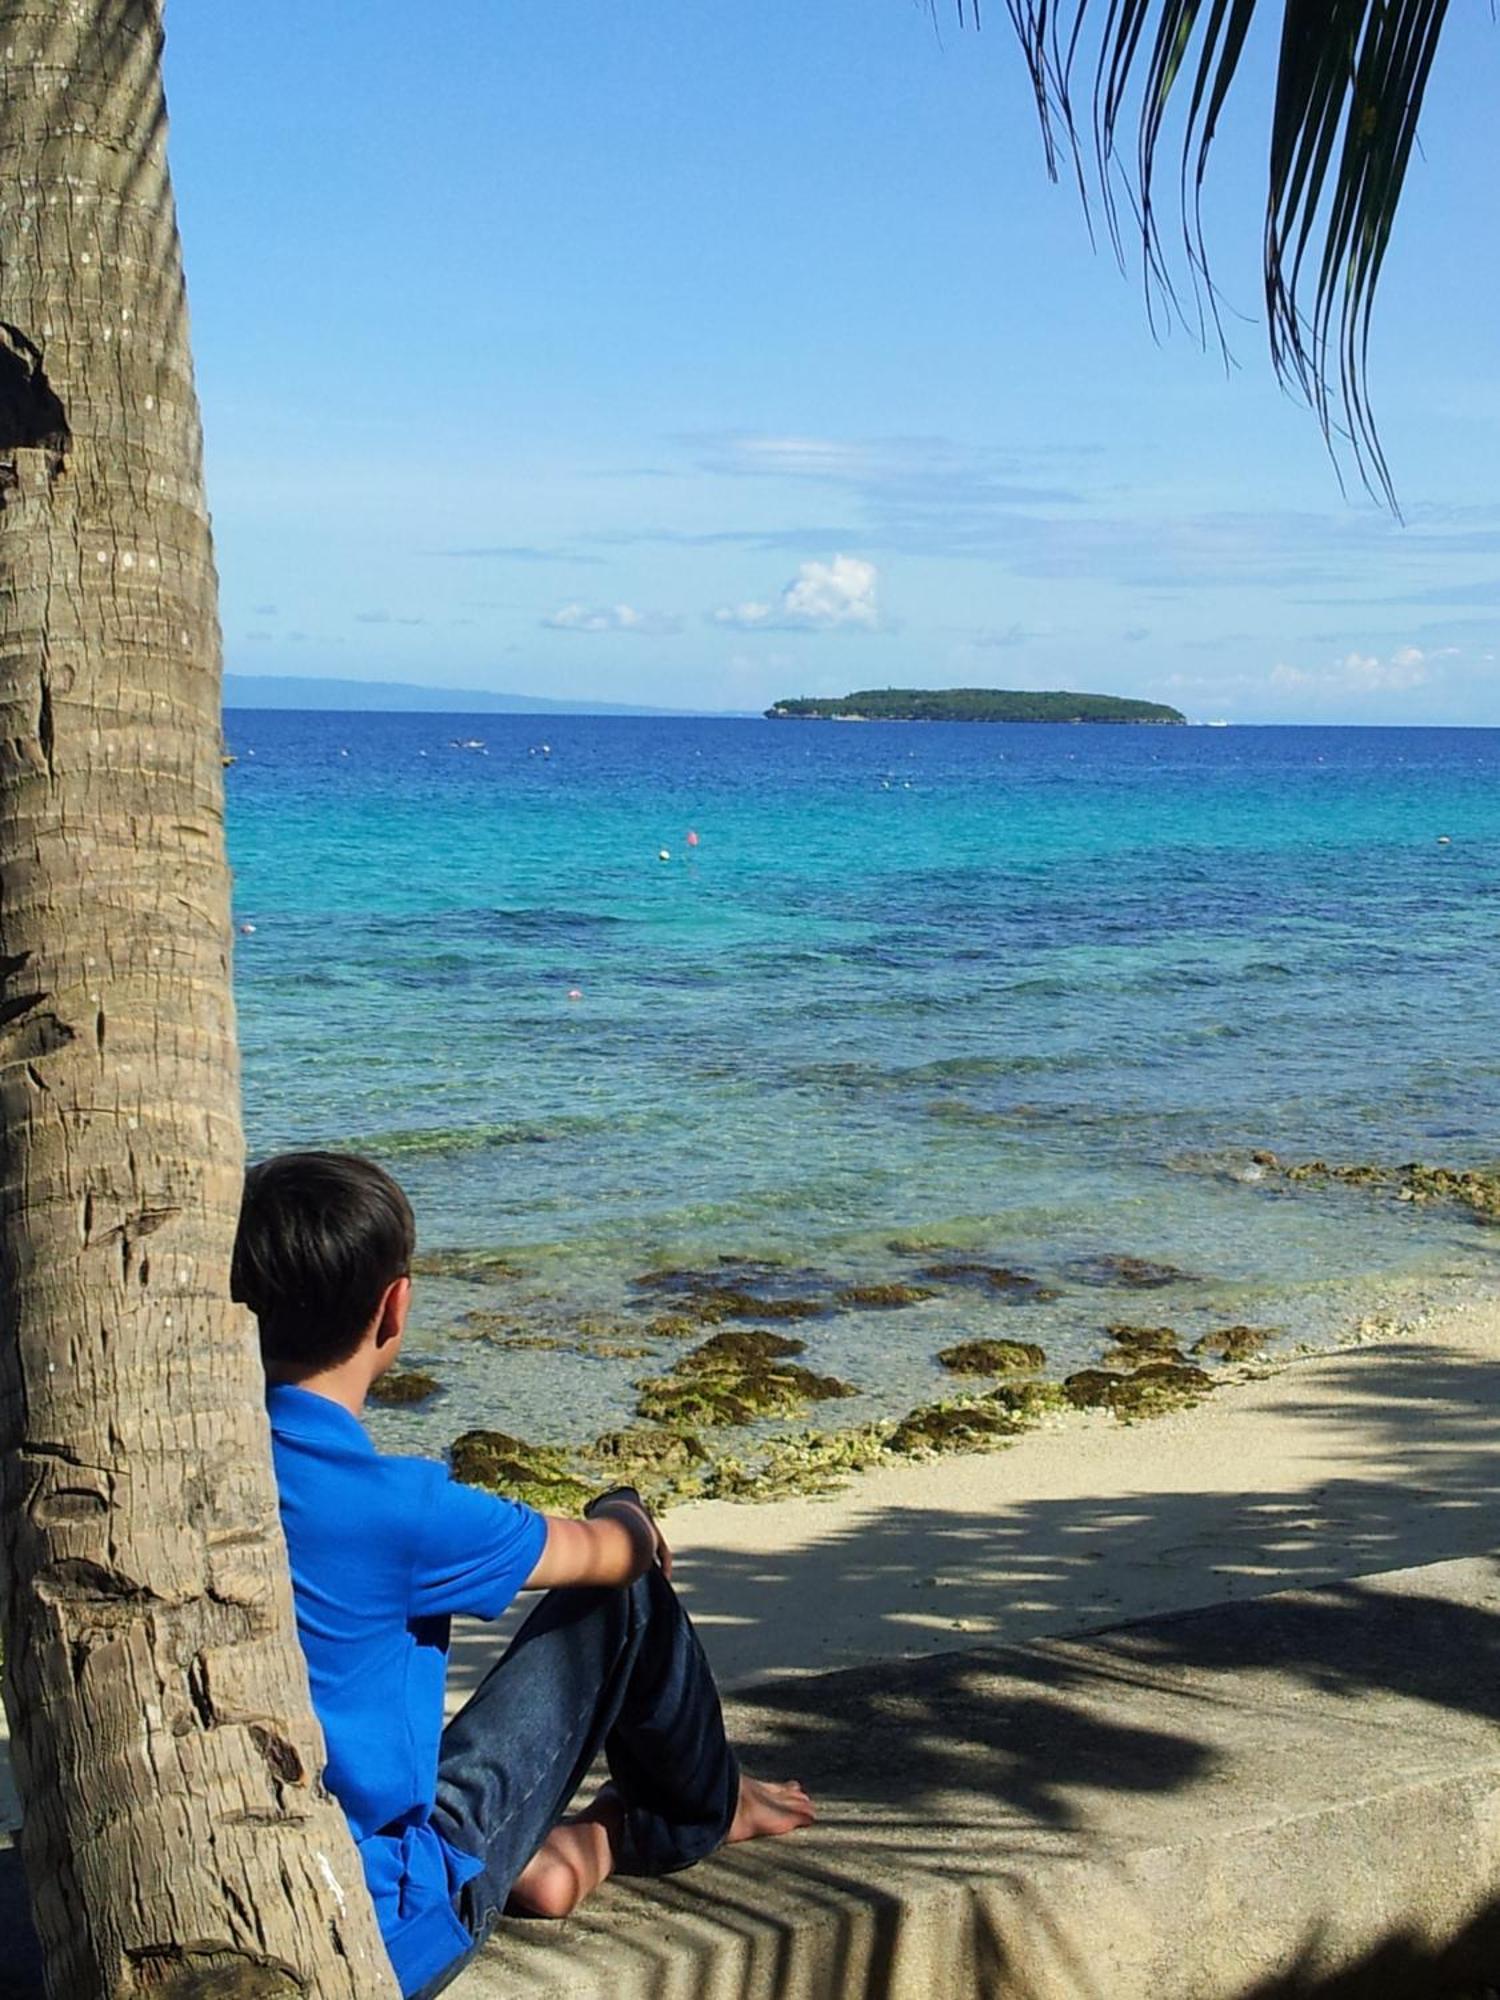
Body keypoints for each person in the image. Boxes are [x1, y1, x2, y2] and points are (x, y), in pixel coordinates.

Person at [231, 1152, 814, 2000]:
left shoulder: (198, 1483)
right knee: (629, 1598)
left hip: (260, 1875)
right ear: (395, 1306)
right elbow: (612, 1558)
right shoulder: (402, 1509)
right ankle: (696, 1813)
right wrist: (628, 1510)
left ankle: (570, 1849)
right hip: (393, 1927)